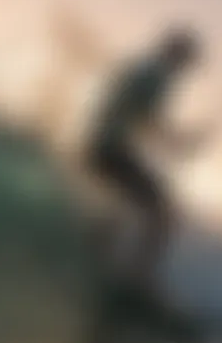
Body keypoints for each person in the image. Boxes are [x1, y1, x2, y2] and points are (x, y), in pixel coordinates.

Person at [85, 26, 209, 307]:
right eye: (187, 60)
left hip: (100, 148)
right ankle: (137, 283)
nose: (186, 69)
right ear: (176, 54)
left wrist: (179, 143)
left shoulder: (143, 69)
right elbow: (150, 122)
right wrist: (184, 141)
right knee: (165, 217)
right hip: (111, 151)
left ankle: (90, 269)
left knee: (116, 213)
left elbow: (131, 114)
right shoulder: (156, 76)